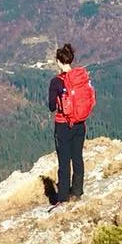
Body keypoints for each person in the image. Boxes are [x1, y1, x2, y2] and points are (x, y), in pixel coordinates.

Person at [48, 42, 92, 204]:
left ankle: (63, 198)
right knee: (77, 158)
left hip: (63, 125)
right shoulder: (81, 78)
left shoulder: (56, 82)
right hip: (80, 124)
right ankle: (78, 192)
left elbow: (52, 106)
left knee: (64, 162)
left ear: (59, 62)